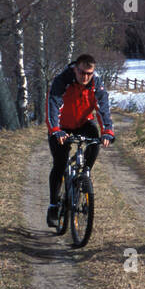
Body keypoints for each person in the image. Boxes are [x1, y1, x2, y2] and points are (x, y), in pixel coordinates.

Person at [46, 54, 114, 227]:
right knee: (60, 163)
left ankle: (84, 176)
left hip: (83, 123)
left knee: (95, 141)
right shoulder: (62, 81)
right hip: (61, 126)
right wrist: (55, 130)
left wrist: (107, 131)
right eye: (82, 72)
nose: (85, 77)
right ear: (75, 68)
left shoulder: (96, 84)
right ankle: (53, 206)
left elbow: (103, 109)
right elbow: (52, 106)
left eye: (89, 73)